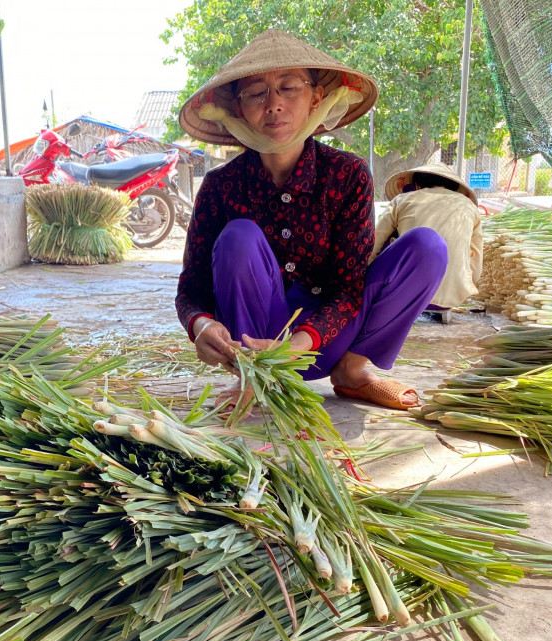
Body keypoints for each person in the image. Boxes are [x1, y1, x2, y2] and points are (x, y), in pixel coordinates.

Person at [175, 29, 447, 410]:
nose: (273, 104)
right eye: (256, 93)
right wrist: (200, 325)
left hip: (329, 338)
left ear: (316, 98)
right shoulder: (221, 186)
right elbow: (191, 290)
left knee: (427, 247)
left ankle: (352, 373)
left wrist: (298, 344)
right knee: (239, 237)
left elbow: (349, 288)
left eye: (288, 88)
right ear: (237, 109)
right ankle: (256, 379)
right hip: (252, 344)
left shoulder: (347, 174)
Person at [373, 163, 483, 322]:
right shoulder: (469, 207)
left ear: (417, 184)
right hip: (453, 296)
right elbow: (476, 259)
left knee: (391, 240)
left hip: (406, 294)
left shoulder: (403, 200)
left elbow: (375, 241)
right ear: (453, 186)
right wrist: (466, 282)